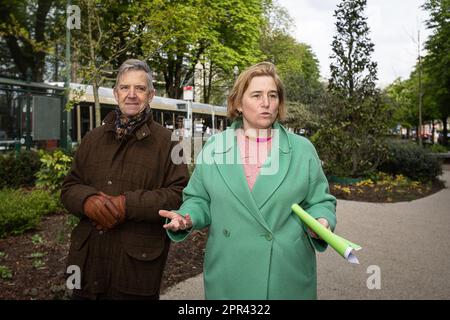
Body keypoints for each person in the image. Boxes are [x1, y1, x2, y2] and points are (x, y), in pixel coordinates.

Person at [159, 62, 336, 300]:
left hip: (285, 276)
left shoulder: (302, 149)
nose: (266, 103)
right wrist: (187, 217)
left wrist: (321, 221)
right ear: (239, 104)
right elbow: (199, 199)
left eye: (272, 96)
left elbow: (320, 201)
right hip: (229, 273)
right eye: (257, 95)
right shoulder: (214, 147)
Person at [61, 59, 189, 300]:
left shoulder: (168, 142)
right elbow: (69, 188)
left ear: (150, 95)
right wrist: (87, 201)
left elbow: (179, 194)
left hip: (135, 269)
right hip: (88, 265)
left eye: (140, 89)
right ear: (115, 92)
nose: (131, 95)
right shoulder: (93, 138)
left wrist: (126, 205)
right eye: (124, 88)